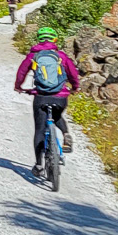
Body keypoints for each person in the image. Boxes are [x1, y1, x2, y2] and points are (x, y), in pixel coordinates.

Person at [14, 34, 79, 177]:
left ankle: (38, 165)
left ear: (39, 39)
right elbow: (73, 73)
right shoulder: (60, 55)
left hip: (41, 97)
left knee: (40, 129)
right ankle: (66, 134)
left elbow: (22, 73)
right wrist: (75, 87)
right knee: (57, 115)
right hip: (60, 96)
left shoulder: (33, 56)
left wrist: (19, 86)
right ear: (55, 40)